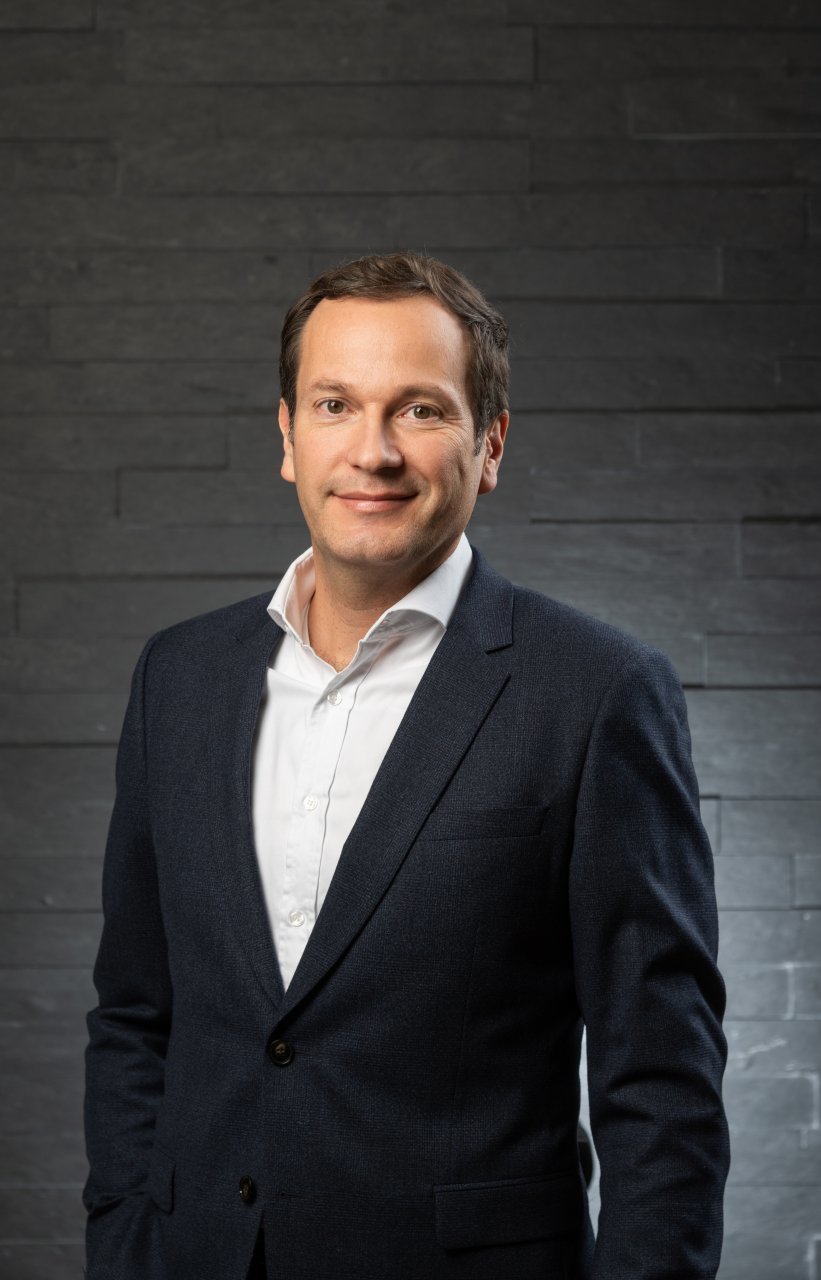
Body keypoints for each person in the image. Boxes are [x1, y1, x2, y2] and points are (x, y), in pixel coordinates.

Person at [83, 251, 729, 1280]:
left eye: (420, 410)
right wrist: (124, 1238)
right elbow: (135, 1012)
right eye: (335, 404)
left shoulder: (595, 691)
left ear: (490, 444)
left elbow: (661, 1077)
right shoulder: (180, 677)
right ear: (287, 436)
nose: (372, 451)